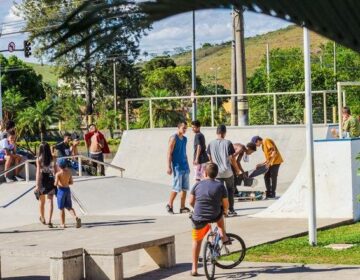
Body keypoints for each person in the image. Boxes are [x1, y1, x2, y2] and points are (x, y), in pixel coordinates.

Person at [189, 163, 229, 277]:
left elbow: (190, 202)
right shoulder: (220, 186)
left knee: (196, 241)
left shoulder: (197, 185)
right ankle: (224, 236)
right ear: (216, 174)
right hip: (214, 215)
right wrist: (225, 211)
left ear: (205, 173)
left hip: (198, 218)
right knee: (220, 216)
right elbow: (226, 204)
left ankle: (194, 269)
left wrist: (197, 208)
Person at [207, 124, 240, 216]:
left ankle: (221, 211)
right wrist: (237, 169)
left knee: (219, 192)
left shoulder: (211, 143)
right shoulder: (228, 143)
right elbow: (232, 158)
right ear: (224, 133)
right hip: (228, 172)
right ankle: (231, 209)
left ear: (217, 132)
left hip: (217, 173)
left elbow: (209, 159)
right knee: (230, 190)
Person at [166, 121, 191, 214]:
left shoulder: (185, 139)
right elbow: (169, 153)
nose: (185, 130)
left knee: (184, 188)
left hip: (185, 166)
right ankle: (170, 205)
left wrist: (188, 165)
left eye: (186, 128)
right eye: (183, 128)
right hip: (177, 166)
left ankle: (182, 207)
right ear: (179, 127)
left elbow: (184, 153)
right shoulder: (173, 138)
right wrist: (169, 166)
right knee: (176, 187)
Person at [55, 158, 82, 229]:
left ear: (59, 166)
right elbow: (71, 182)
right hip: (67, 190)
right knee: (69, 207)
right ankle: (76, 217)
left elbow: (55, 183)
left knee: (61, 208)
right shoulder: (69, 172)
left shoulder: (58, 174)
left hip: (61, 191)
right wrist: (66, 183)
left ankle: (62, 224)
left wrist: (57, 182)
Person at [35, 142, 57, 228]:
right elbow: (55, 169)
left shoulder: (39, 159)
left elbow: (38, 172)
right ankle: (49, 220)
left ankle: (43, 217)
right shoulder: (53, 157)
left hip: (42, 180)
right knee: (50, 200)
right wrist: (56, 180)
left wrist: (37, 185)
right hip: (51, 179)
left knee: (41, 201)